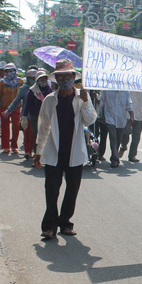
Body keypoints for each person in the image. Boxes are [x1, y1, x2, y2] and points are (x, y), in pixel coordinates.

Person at [34, 59, 97, 240]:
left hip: (74, 152)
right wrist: (38, 152)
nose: (64, 79)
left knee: (72, 190)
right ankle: (49, 226)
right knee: (51, 189)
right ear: (56, 79)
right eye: (60, 76)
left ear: (73, 77)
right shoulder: (49, 100)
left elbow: (89, 120)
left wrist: (86, 102)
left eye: (67, 75)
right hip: (54, 152)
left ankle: (65, 222)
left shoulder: (81, 97)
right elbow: (43, 127)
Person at [6, 66, 38, 159]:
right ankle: (27, 151)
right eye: (31, 78)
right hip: (26, 115)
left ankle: (34, 152)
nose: (33, 80)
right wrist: (8, 110)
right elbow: (16, 101)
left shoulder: (40, 88)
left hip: (37, 114)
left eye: (34, 78)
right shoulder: (24, 89)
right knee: (27, 134)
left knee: (34, 135)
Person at [97, 89, 133, 168]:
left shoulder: (126, 91)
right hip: (110, 118)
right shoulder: (107, 91)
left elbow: (129, 104)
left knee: (118, 139)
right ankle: (115, 160)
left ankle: (114, 154)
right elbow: (101, 102)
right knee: (112, 138)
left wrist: (131, 116)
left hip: (121, 119)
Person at [21, 71, 51, 160]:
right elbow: (27, 105)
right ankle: (36, 154)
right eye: (41, 79)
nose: (43, 81)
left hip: (46, 116)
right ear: (37, 80)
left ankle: (43, 154)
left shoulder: (48, 90)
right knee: (36, 135)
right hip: (34, 116)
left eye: (45, 79)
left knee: (45, 135)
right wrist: (24, 117)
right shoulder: (32, 91)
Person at [0, 63, 22, 154]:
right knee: (5, 127)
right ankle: (6, 146)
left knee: (16, 126)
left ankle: (14, 146)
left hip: (16, 108)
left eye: (11, 71)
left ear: (15, 71)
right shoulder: (2, 82)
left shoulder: (20, 82)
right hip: (4, 107)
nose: (9, 73)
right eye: (7, 71)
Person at [119, 90, 142, 162]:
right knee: (125, 133)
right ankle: (123, 147)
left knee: (136, 137)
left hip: (138, 116)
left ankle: (132, 155)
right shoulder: (127, 89)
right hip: (127, 116)